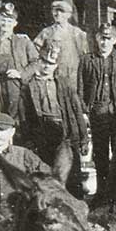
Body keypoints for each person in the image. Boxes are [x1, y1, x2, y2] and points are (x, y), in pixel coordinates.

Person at [20, 40, 89, 196]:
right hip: (42, 134)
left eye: (51, 63)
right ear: (38, 61)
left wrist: (83, 137)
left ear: (56, 65)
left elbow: (76, 111)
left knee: (71, 175)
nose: (46, 66)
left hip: (64, 133)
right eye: (43, 61)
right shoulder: (29, 86)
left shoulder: (64, 84)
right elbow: (24, 115)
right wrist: (28, 139)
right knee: (46, 175)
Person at [77, 23, 116, 203]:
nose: (104, 42)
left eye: (108, 38)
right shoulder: (87, 60)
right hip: (97, 113)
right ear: (96, 38)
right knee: (100, 155)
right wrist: (83, 112)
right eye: (102, 38)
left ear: (115, 40)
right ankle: (102, 194)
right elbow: (80, 88)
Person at [0, 2, 39, 127]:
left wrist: (20, 74)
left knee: (16, 118)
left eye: (9, 21)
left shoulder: (23, 41)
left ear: (15, 24)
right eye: (3, 19)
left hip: (14, 84)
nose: (5, 23)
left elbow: (36, 62)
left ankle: (15, 144)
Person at [34, 0, 89, 87]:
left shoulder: (77, 33)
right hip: (52, 76)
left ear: (69, 15)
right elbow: (35, 52)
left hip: (73, 76)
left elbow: (84, 54)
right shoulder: (46, 32)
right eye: (55, 11)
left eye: (62, 11)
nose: (58, 14)